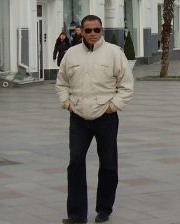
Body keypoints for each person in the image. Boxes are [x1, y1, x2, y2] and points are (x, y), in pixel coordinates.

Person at [56, 15, 134, 224]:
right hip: (78, 117)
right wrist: (67, 103)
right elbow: (61, 82)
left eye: (96, 30)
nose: (92, 34)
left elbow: (126, 85)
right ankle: (77, 214)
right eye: (88, 30)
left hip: (106, 117)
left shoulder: (114, 53)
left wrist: (112, 107)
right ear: (81, 31)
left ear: (102, 31)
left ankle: (104, 209)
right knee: (75, 163)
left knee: (108, 164)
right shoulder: (71, 54)